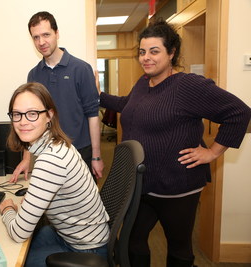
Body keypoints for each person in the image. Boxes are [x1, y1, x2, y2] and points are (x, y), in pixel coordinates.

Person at [96, 19, 251, 267]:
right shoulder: (143, 83)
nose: (146, 58)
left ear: (171, 53)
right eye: (142, 52)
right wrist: (100, 96)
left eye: (154, 51)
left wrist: (212, 152)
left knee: (178, 248)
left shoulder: (188, 86)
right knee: (133, 241)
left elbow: (239, 113)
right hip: (142, 183)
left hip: (177, 185)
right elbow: (128, 105)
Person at [0, 82, 110, 267]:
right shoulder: (58, 144)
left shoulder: (50, 160)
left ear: (49, 116)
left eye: (32, 113)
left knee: (11, 261)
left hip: (85, 249)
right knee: (34, 237)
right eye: (17, 114)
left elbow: (19, 232)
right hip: (80, 235)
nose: (23, 121)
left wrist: (7, 210)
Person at [10, 11, 103, 183]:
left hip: (81, 152)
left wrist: (96, 157)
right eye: (36, 37)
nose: (41, 42)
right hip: (48, 155)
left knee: (81, 206)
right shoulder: (34, 74)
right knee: (54, 208)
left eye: (46, 35)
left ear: (57, 33)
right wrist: (26, 159)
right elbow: (30, 120)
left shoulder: (81, 69)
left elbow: (92, 116)